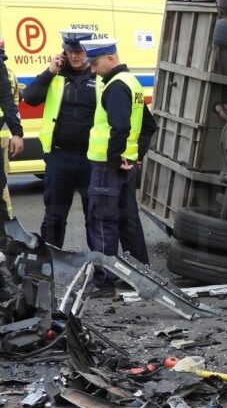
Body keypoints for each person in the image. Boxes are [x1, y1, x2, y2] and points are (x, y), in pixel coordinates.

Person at [80, 37, 155, 293]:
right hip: (125, 166)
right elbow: (148, 126)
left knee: (102, 221)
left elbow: (120, 127)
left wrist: (114, 158)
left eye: (95, 63)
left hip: (107, 166)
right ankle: (141, 274)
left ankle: (103, 282)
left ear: (110, 59)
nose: (92, 69)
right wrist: (134, 156)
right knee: (128, 220)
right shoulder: (131, 83)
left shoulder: (114, 86)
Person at [22, 30, 100, 248]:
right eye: (70, 51)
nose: (75, 56)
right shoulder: (55, 76)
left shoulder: (100, 76)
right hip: (60, 156)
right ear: (63, 52)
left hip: (91, 158)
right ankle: (51, 265)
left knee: (94, 217)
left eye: (79, 51)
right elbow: (29, 98)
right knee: (54, 216)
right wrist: (49, 71)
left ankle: (98, 269)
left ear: (88, 51)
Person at [0, 35, 25, 223]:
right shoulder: (9, 73)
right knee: (3, 186)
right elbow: (12, 105)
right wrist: (16, 131)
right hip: (4, 134)